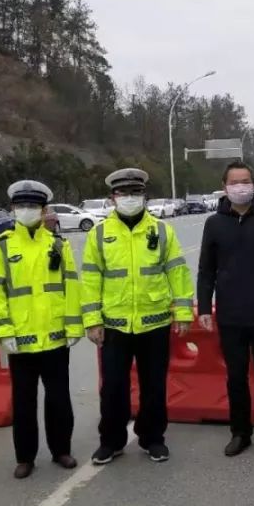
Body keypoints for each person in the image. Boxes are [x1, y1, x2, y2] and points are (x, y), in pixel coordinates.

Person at [82, 168, 194, 464]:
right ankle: (111, 441)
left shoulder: (161, 230)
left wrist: (183, 312)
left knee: (154, 386)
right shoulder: (99, 233)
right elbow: (90, 279)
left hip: (155, 322)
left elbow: (178, 273)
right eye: (123, 193)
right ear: (112, 197)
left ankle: (153, 438)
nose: (129, 198)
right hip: (114, 325)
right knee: (113, 388)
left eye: (135, 193)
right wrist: (92, 321)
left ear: (145, 196)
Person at [0, 180, 83, 479]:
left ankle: (61, 450)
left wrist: (73, 326)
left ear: (43, 211)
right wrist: (3, 330)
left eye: (33, 206)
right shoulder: (1, 247)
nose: (27, 210)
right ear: (13, 209)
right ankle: (25, 457)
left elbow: (71, 286)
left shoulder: (58, 244)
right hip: (21, 341)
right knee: (24, 402)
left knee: (59, 399)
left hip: (55, 338)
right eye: (21, 206)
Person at [197, 160, 254, 458]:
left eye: (245, 181)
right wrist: (205, 307)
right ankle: (240, 432)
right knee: (236, 378)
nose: (240, 187)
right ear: (224, 187)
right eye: (234, 182)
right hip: (230, 315)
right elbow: (206, 270)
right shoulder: (214, 223)